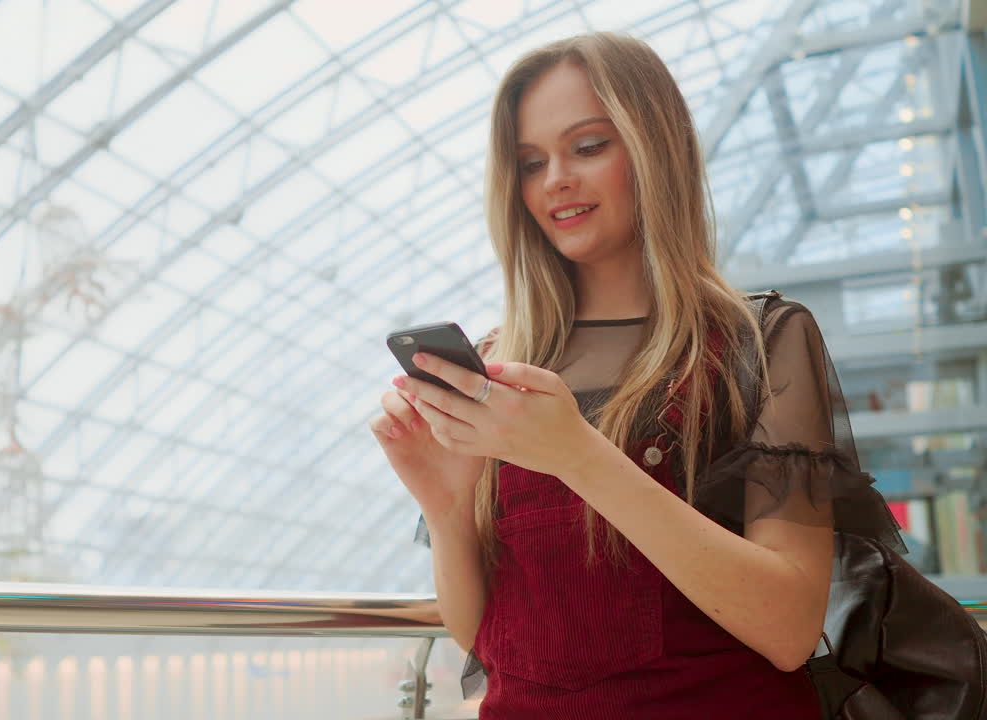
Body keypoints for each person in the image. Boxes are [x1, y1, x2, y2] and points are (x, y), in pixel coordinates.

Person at [368, 33, 904, 719]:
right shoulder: (504, 363)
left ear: (656, 149)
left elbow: (789, 630)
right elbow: (491, 642)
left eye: (588, 146)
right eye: (531, 162)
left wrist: (577, 455)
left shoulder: (759, 342)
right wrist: (447, 510)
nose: (555, 178)